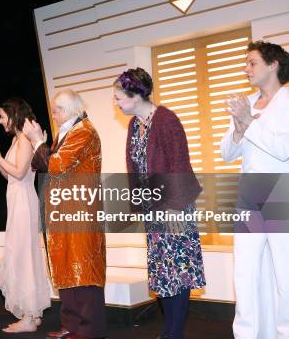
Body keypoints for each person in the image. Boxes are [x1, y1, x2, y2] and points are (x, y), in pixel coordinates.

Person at [113, 67, 205, 339]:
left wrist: (174, 208)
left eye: (119, 98)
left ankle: (174, 333)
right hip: (154, 209)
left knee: (179, 269)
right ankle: (168, 331)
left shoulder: (166, 120)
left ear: (135, 95)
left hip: (175, 207)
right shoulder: (134, 124)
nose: (116, 104)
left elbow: (179, 165)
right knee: (162, 271)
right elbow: (136, 168)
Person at [23, 89, 107, 339]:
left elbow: (55, 164)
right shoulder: (67, 131)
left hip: (80, 211)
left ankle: (89, 330)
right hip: (64, 209)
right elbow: (42, 165)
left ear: (70, 110)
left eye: (57, 109)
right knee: (66, 267)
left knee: (83, 269)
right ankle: (71, 324)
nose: (54, 114)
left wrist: (38, 142)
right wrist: (43, 151)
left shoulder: (84, 131)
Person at [220, 41, 289, 339]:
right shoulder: (246, 102)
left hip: (279, 190)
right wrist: (238, 127)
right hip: (248, 190)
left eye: (252, 63)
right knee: (245, 272)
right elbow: (226, 153)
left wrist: (249, 123)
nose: (245, 68)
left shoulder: (287, 100)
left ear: (273, 65)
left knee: (284, 274)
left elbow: (283, 149)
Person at [0, 97, 51, 333]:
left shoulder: (25, 141)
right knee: (21, 254)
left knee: (24, 256)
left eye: (2, 116)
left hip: (24, 202)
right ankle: (32, 314)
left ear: (13, 115)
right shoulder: (17, 140)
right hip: (16, 200)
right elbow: (9, 176)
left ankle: (29, 316)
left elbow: (18, 173)